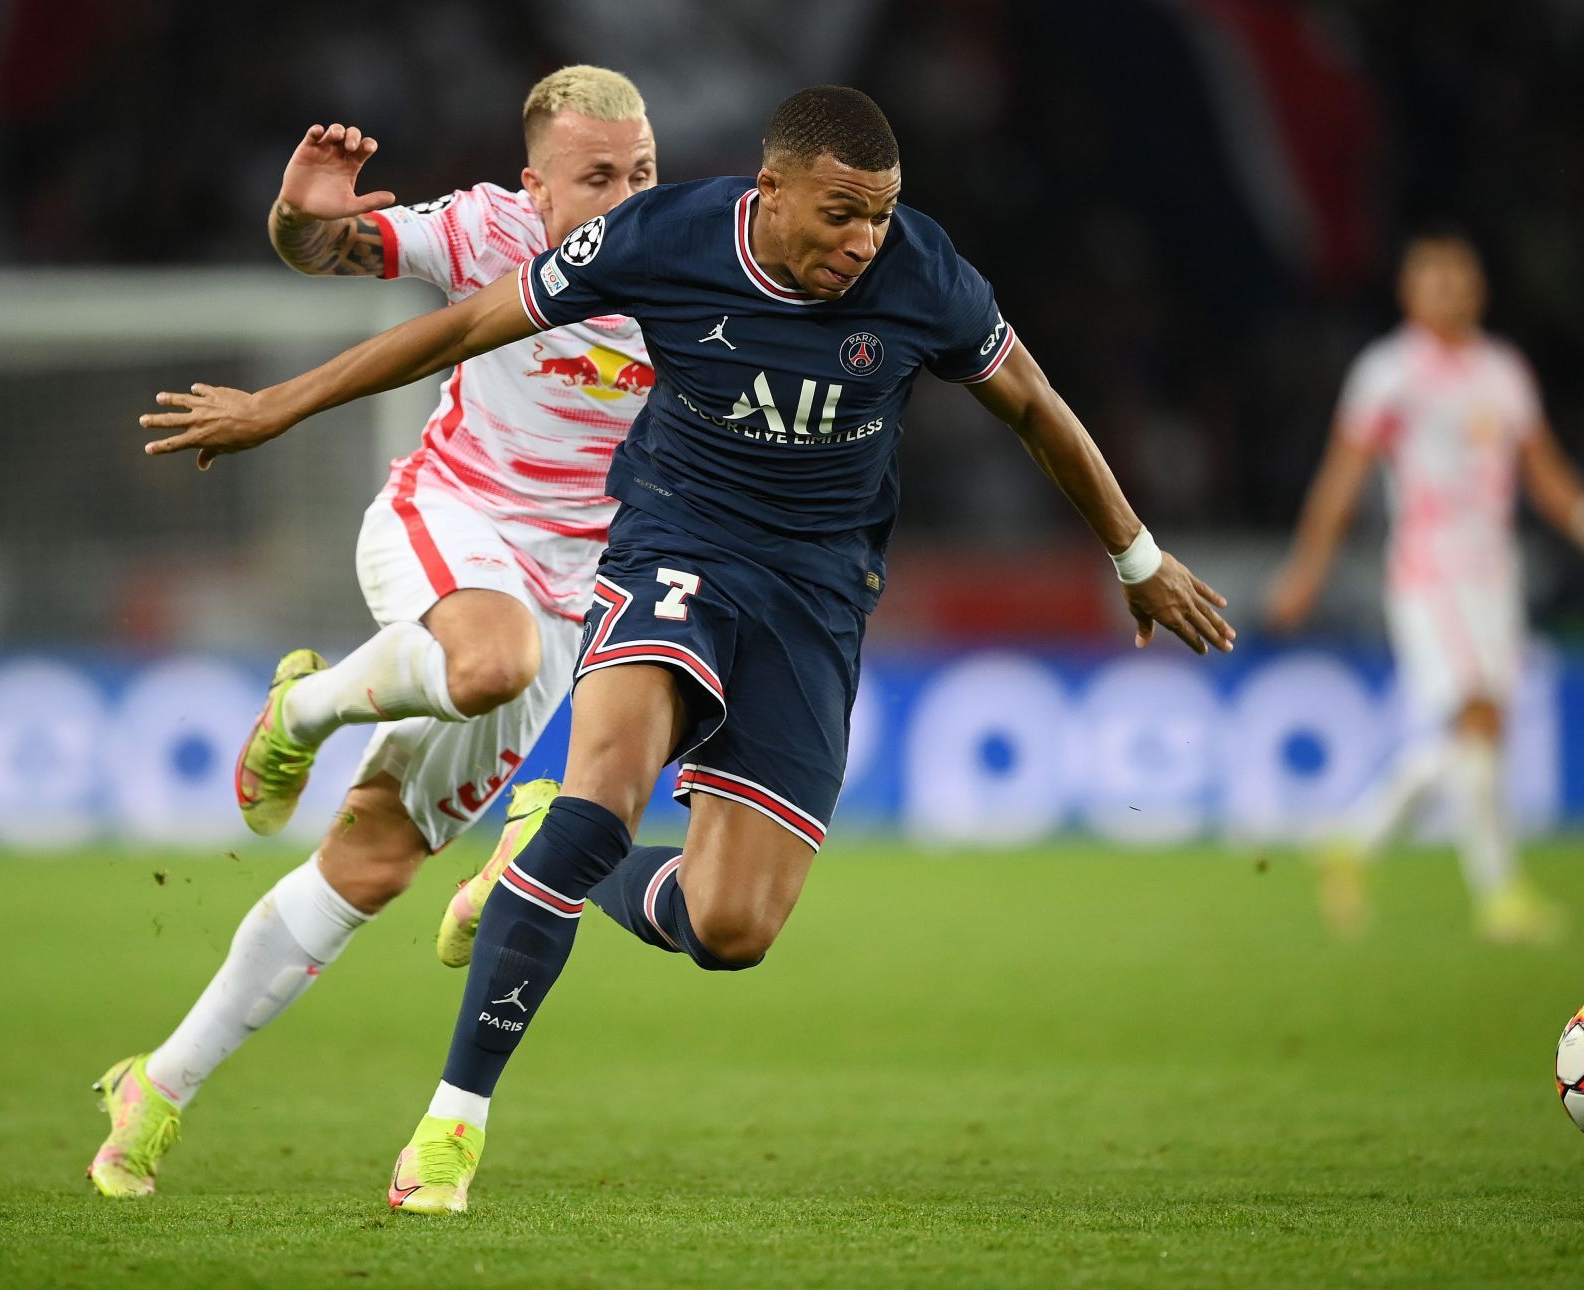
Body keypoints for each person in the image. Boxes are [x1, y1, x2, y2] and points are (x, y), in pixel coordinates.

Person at [137, 85, 1237, 1214]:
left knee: (732, 928)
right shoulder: (656, 242)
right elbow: (458, 319)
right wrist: (277, 406)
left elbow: (1034, 402)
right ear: (771, 193)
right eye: (842, 215)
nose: (864, 242)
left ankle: (527, 845)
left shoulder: (923, 272)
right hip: (670, 548)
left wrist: (1137, 556)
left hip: (813, 597)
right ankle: (449, 1132)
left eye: (882, 215)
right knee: (591, 786)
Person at [88, 65, 660, 1199]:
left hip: (564, 592)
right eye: (598, 177)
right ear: (534, 185)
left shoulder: (688, 270)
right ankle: (301, 708)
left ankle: (156, 1086)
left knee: (374, 860)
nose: (628, 196)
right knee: (488, 660)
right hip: (444, 521)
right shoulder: (485, 230)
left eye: (642, 172)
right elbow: (332, 250)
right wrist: (303, 213)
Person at [1266, 230, 1584, 943]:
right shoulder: (1389, 372)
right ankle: (1500, 897)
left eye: (1459, 277)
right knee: (1477, 721)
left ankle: (1353, 839)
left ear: (1481, 288)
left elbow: (1542, 466)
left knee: (1483, 727)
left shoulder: (1503, 371)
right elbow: (1343, 475)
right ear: (1408, 292)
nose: (1449, 290)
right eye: (1433, 278)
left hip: (1494, 572)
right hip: (1429, 571)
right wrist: (1305, 570)